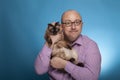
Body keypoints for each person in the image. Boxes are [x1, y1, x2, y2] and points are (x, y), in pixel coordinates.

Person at [34, 10, 101, 80]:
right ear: (61, 26)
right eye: (68, 23)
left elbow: (92, 77)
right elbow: (39, 70)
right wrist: (49, 42)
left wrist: (65, 65)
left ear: (82, 25)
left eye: (77, 22)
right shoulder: (52, 43)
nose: (73, 27)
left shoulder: (90, 45)